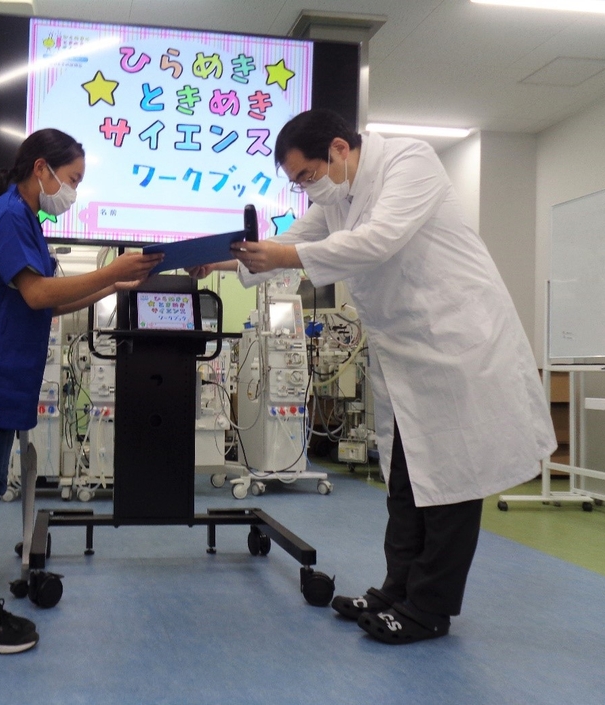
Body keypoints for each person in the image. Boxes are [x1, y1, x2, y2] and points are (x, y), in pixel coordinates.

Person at [189, 109, 556, 644]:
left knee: (450, 485)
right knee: (406, 480)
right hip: (407, 355)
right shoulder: (337, 199)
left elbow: (378, 240)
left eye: (307, 175)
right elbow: (285, 247)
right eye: (297, 182)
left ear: (339, 148)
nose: (306, 188)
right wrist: (219, 262)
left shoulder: (410, 161)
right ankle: (396, 589)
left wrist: (281, 253)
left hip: (455, 346)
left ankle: (429, 608)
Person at [0, 128, 163, 654]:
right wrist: (111, 268)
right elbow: (38, 294)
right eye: (72, 179)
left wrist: (112, 284)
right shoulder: (5, 217)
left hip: (0, 376)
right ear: (41, 168)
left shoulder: (26, 221)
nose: (73, 192)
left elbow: (50, 301)